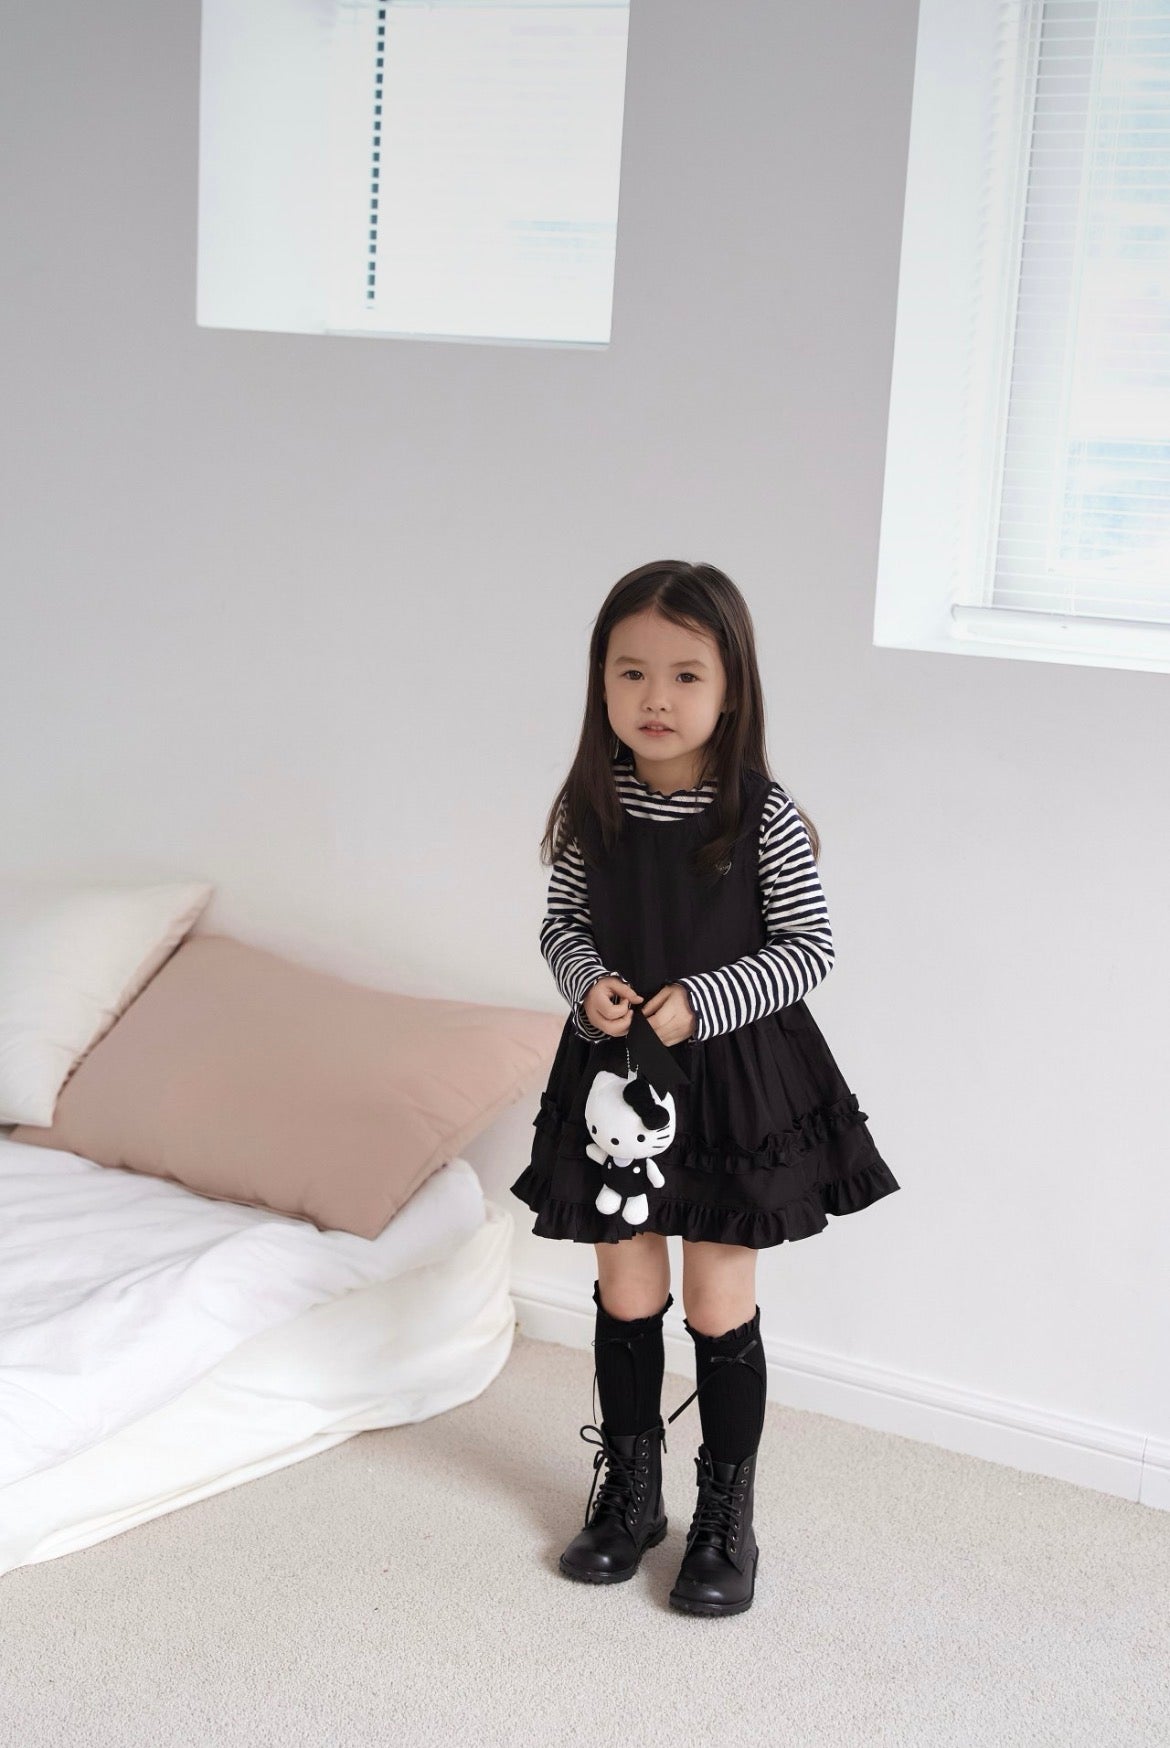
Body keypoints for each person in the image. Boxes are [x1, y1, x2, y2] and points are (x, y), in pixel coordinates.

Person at [509, 559, 901, 1617]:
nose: (656, 697)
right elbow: (563, 923)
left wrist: (701, 1002)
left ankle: (727, 1517)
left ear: (731, 690)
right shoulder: (593, 805)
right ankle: (631, 1492)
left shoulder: (762, 814)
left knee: (719, 1297)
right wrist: (589, 984)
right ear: (601, 681)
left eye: (686, 675)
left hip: (731, 1082)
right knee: (626, 1285)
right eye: (631, 672)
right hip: (616, 1080)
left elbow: (808, 948)